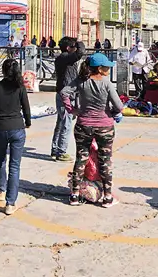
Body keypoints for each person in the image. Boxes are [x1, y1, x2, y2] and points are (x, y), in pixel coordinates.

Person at [61, 52, 125, 207]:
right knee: (105, 160)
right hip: (105, 127)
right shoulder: (106, 83)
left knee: (81, 158)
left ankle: (75, 195)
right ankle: (107, 197)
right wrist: (114, 113)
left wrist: (72, 110)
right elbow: (119, 106)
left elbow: (64, 93)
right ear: (99, 69)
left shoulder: (81, 81)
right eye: (106, 67)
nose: (109, 69)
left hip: (83, 125)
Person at [0, 58, 32, 215]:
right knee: (15, 166)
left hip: (0, 127)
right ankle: (10, 203)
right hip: (17, 127)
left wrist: (0, 112)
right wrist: (28, 122)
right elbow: (26, 108)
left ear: (3, 70)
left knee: (0, 160)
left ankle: (0, 190)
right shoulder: (20, 87)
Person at [51, 38, 84, 162]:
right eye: (73, 46)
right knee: (66, 123)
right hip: (65, 95)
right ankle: (61, 152)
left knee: (61, 123)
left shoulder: (63, 58)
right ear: (68, 48)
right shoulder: (65, 57)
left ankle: (55, 149)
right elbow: (80, 53)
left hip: (64, 93)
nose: (75, 49)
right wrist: (79, 42)